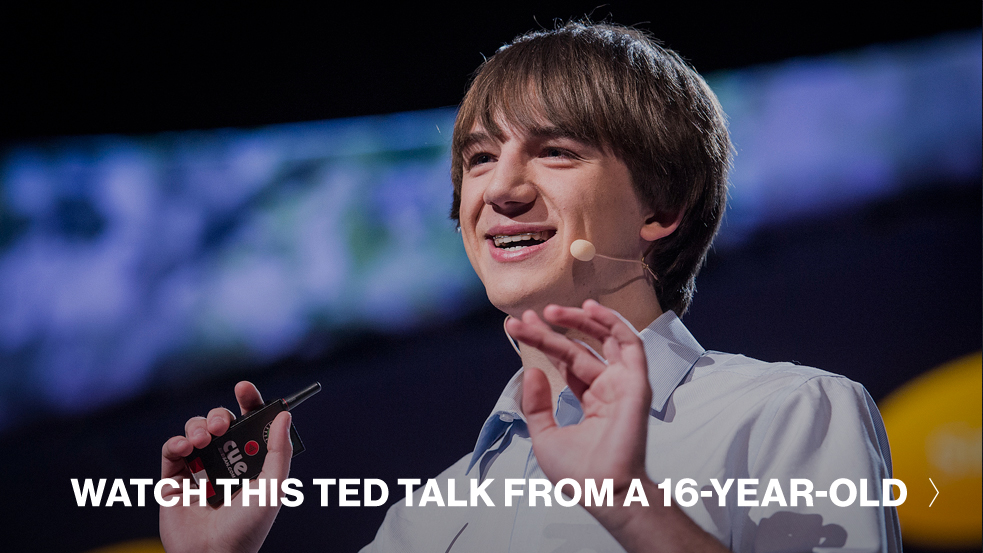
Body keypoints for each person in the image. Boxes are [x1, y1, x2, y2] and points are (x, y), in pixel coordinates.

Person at [160, 21, 901, 552]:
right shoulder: (423, 519)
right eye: (479, 159)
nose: (500, 188)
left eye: (555, 151)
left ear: (662, 209)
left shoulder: (786, 414)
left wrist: (629, 506)